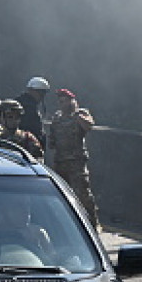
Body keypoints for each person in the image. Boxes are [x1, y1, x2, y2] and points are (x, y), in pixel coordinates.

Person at [48, 88, 98, 229]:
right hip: (60, 161)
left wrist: (77, 116)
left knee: (83, 195)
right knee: (60, 195)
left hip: (76, 163)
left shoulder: (80, 114)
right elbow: (52, 141)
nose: (62, 104)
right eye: (60, 101)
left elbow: (89, 126)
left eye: (65, 101)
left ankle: (92, 224)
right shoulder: (57, 118)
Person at [16, 76, 50, 148]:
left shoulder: (30, 105)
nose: (41, 96)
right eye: (40, 93)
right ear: (32, 91)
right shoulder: (27, 106)